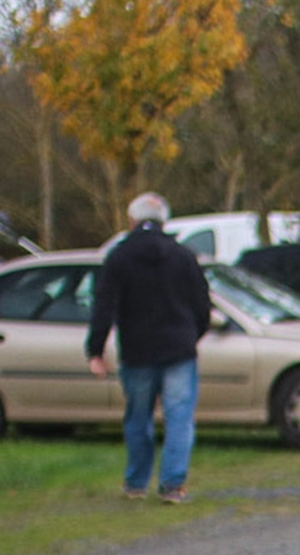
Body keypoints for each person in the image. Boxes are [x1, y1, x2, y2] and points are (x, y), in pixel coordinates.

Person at [87, 192, 210, 503]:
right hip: (179, 349)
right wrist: (193, 335)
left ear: (132, 220)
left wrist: (96, 350)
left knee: (138, 417)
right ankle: (173, 484)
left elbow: (104, 306)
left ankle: (136, 483)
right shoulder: (183, 255)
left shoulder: (119, 256)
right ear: (164, 220)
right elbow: (202, 305)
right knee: (179, 417)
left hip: (137, 348)